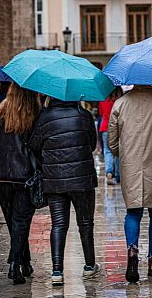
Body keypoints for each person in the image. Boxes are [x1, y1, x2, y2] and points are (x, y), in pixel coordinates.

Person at [108, 85, 152, 283]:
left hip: (130, 164)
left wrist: (123, 154)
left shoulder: (120, 103)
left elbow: (112, 141)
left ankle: (132, 252)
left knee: (133, 211)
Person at [29, 97, 101, 286]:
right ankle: (89, 266)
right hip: (82, 179)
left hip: (54, 180)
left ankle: (57, 271)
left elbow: (35, 145)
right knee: (85, 223)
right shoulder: (84, 116)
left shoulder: (43, 117)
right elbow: (92, 145)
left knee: (59, 224)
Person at [0, 83, 40, 285]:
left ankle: (25, 261)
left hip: (0, 177)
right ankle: (14, 264)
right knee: (21, 221)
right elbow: (37, 146)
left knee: (14, 223)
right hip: (23, 176)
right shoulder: (33, 115)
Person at [99, 88, 122, 185]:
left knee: (107, 150)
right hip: (117, 128)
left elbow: (100, 113)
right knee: (117, 150)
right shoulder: (120, 101)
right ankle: (117, 175)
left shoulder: (103, 100)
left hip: (105, 127)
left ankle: (109, 172)